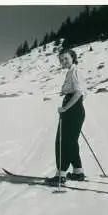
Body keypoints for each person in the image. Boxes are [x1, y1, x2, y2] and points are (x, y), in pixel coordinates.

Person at [45, 48, 87, 186]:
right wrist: (66, 94)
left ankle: (61, 175)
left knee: (62, 142)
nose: (63, 61)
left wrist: (66, 107)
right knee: (71, 142)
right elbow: (80, 93)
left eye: (66, 58)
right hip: (75, 111)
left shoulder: (75, 71)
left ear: (73, 57)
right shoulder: (72, 72)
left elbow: (79, 93)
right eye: (61, 59)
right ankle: (78, 172)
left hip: (72, 111)